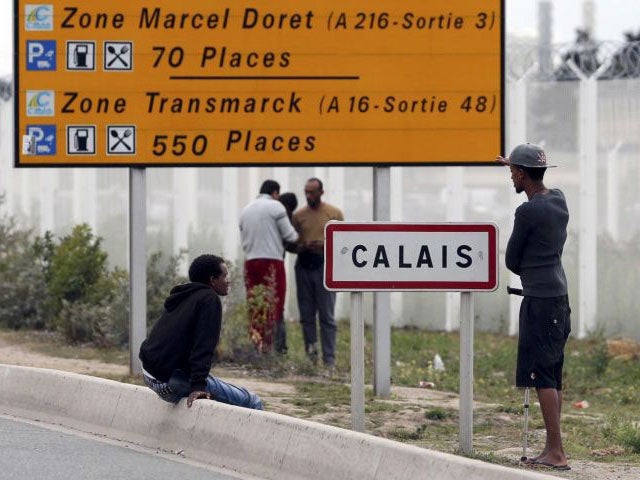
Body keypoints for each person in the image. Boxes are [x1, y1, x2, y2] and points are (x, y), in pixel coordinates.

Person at [497, 143, 571, 471]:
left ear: (524, 174)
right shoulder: (558, 200)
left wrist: (526, 262)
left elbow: (512, 259)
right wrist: (512, 161)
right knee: (552, 374)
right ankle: (552, 447)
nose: (510, 176)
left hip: (539, 301)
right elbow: (539, 184)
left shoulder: (526, 212)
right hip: (559, 297)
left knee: (541, 375)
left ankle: (555, 452)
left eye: (513, 171)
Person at [139, 254, 263, 410]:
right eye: (225, 276)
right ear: (213, 280)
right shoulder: (209, 299)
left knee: (216, 386)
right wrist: (198, 386)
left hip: (150, 376)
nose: (228, 280)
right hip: (170, 381)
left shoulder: (184, 297)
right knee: (252, 402)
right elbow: (203, 346)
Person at [239, 180, 298, 353]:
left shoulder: (246, 210)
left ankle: (257, 345)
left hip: (250, 262)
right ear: (275, 193)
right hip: (272, 261)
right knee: (275, 304)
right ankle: (273, 348)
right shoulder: (276, 207)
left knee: (255, 305)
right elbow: (291, 236)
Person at [292, 177, 344, 368]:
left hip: (325, 266)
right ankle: (311, 358)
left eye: (312, 192)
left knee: (327, 317)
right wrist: (303, 245)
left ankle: (329, 360)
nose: (308, 195)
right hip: (304, 265)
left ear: (321, 192)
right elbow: (291, 242)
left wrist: (325, 244)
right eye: (306, 191)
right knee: (307, 316)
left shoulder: (334, 213)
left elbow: (343, 241)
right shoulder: (298, 216)